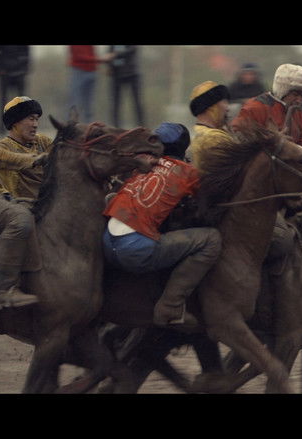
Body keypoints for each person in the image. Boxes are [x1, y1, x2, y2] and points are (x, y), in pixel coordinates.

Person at [102, 122, 221, 327]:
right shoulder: (188, 172)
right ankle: (171, 305)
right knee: (212, 239)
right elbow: (209, 203)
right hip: (135, 250)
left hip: (106, 242)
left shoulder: (141, 163)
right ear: (184, 146)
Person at [0, 96, 50, 310]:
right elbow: (11, 159)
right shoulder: (0, 148)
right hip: (16, 207)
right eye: (30, 118)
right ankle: (6, 287)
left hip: (45, 206)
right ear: (15, 122)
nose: (35, 124)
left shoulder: (44, 141)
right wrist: (35, 160)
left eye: (36, 119)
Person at [231, 63, 302, 149]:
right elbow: (238, 140)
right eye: (295, 94)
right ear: (283, 90)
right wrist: (271, 141)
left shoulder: (298, 113)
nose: (299, 100)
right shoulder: (255, 108)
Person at [185, 80, 234, 169]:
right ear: (211, 107)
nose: (227, 108)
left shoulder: (196, 133)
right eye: (224, 102)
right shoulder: (214, 138)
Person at [68, 45, 114, 123]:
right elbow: (79, 57)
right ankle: (71, 127)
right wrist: (100, 59)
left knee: (89, 105)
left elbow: (92, 53)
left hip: (92, 72)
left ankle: (88, 128)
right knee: (75, 102)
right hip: (79, 72)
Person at [0, 46, 30, 135]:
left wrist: (24, 68)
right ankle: (2, 128)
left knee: (22, 102)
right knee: (4, 102)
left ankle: (23, 127)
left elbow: (26, 51)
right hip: (4, 72)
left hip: (18, 71)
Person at [108, 45, 145, 127]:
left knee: (137, 103)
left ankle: (141, 126)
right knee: (115, 103)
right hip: (117, 75)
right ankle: (116, 126)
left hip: (131, 73)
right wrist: (111, 65)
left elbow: (132, 49)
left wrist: (115, 55)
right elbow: (111, 54)